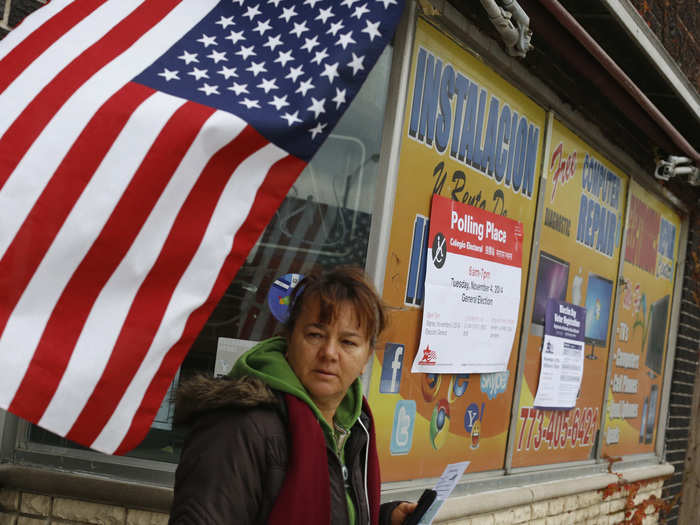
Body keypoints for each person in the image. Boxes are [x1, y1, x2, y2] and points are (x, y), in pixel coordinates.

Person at [169, 267, 417, 525]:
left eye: (348, 342)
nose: (329, 353)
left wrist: (386, 518)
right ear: (289, 340)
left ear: (366, 358)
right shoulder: (240, 425)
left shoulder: (354, 425)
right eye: (315, 335)